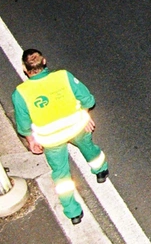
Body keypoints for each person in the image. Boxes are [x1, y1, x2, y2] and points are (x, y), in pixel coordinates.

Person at [11, 49, 108, 225]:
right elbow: (88, 100)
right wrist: (84, 116)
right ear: (45, 61)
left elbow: (24, 125)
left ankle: (73, 213)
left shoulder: (20, 93)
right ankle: (101, 171)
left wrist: (31, 140)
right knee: (89, 149)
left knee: (61, 174)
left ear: (25, 69)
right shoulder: (64, 76)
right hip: (77, 127)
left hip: (51, 139)